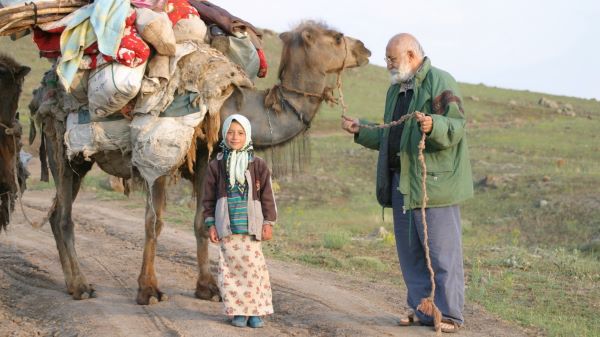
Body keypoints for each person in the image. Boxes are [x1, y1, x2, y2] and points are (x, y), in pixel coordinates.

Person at [341, 33, 473, 333]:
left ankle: (450, 315)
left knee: (442, 253)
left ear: (412, 56)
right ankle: (422, 309)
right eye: (387, 58)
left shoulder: (440, 81)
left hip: (433, 185)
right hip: (402, 183)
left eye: (392, 58)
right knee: (410, 252)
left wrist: (434, 124)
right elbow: (390, 136)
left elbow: (457, 125)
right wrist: (359, 130)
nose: (387, 64)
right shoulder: (396, 90)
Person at [202, 114, 276, 328]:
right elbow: (208, 199)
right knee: (231, 271)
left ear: (247, 135)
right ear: (224, 134)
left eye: (240, 133)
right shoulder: (217, 165)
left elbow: (267, 197)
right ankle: (238, 313)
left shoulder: (258, 165)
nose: (235, 137)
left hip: (251, 230)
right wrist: (211, 224)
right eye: (230, 132)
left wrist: (268, 222)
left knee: (254, 271)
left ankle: (255, 312)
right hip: (228, 228)